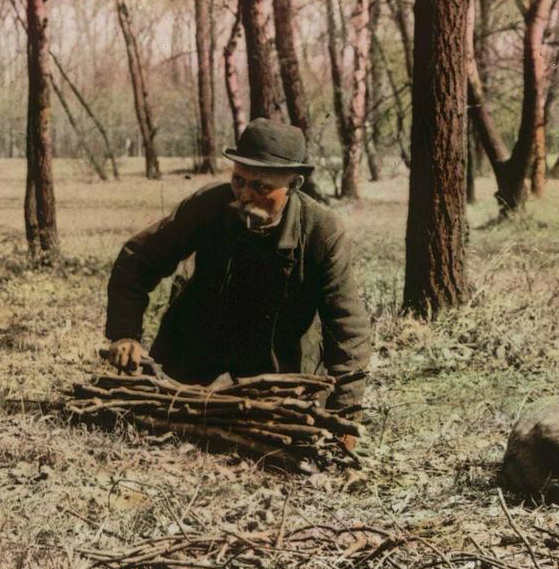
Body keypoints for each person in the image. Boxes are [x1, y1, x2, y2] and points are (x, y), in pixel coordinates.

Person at [104, 118, 370, 444]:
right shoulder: (209, 207)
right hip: (198, 344)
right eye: (238, 180)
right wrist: (124, 334)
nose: (245, 195)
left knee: (276, 435)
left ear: (294, 184)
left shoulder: (321, 232)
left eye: (260, 187)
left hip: (277, 361)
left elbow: (348, 328)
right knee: (159, 419)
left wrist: (344, 417)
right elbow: (138, 259)